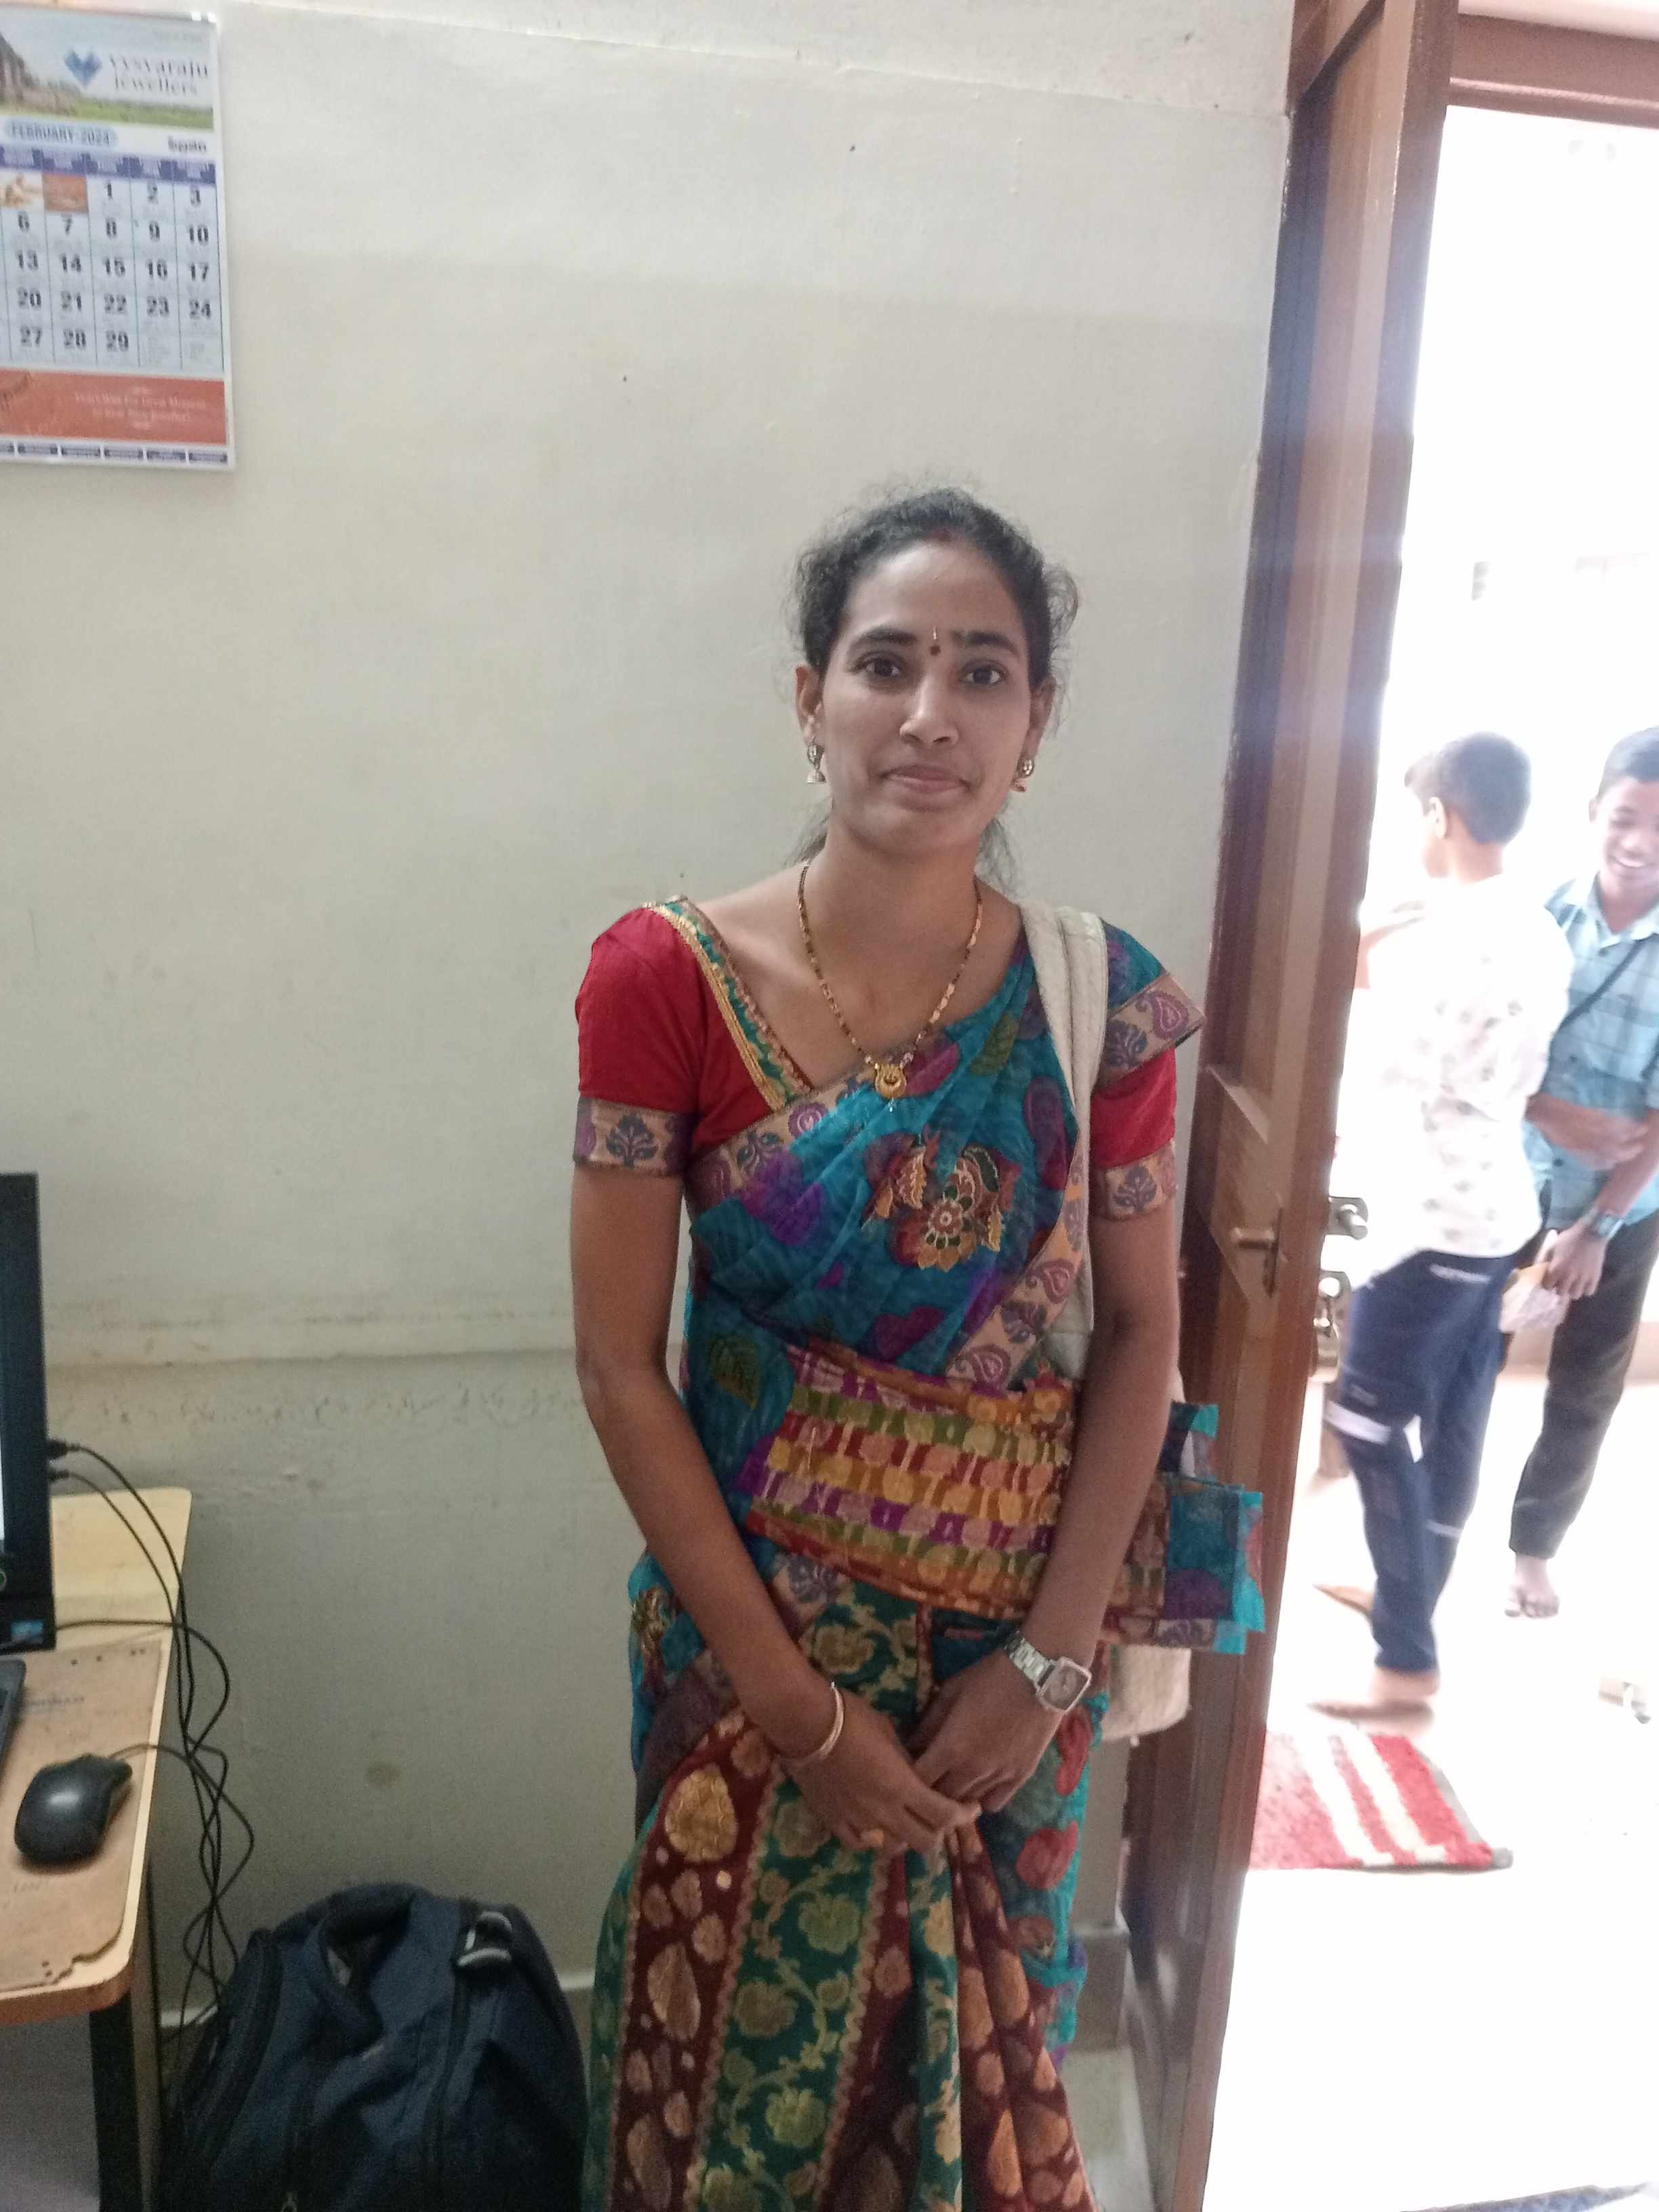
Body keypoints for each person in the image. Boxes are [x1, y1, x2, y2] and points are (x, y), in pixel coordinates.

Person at [569, 489, 1258, 2211]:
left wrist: (1046, 1670)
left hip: (1006, 1684)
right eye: (887, 665)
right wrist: (797, 1712)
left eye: (984, 672)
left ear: (1038, 723)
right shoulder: (663, 980)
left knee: (981, 2083)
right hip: (752, 1660)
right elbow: (619, 1367)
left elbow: (1143, 1332)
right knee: (727, 2090)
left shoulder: (1102, 1006)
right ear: (811, 699)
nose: (931, 715)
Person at [1317, 735, 1572, 1715]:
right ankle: (1408, 1597)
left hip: (1435, 1222)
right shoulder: (1534, 926)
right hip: (1497, 1210)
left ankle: (1406, 1656)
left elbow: (1391, 1068)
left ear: (1440, 816)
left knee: (1366, 1420)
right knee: (1456, 1417)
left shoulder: (1440, 940)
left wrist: (1368, 959)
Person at [1509, 726, 1659, 1621]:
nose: (1640, 842)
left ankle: (1534, 1549)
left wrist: (1598, 1228)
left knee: (1585, 1386)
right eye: (1627, 816)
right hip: (1514, 1183)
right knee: (1464, 1359)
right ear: (1595, 811)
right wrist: (1545, 1112)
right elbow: (1489, 1057)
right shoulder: (1539, 919)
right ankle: (1423, 1535)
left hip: (1625, 1209)